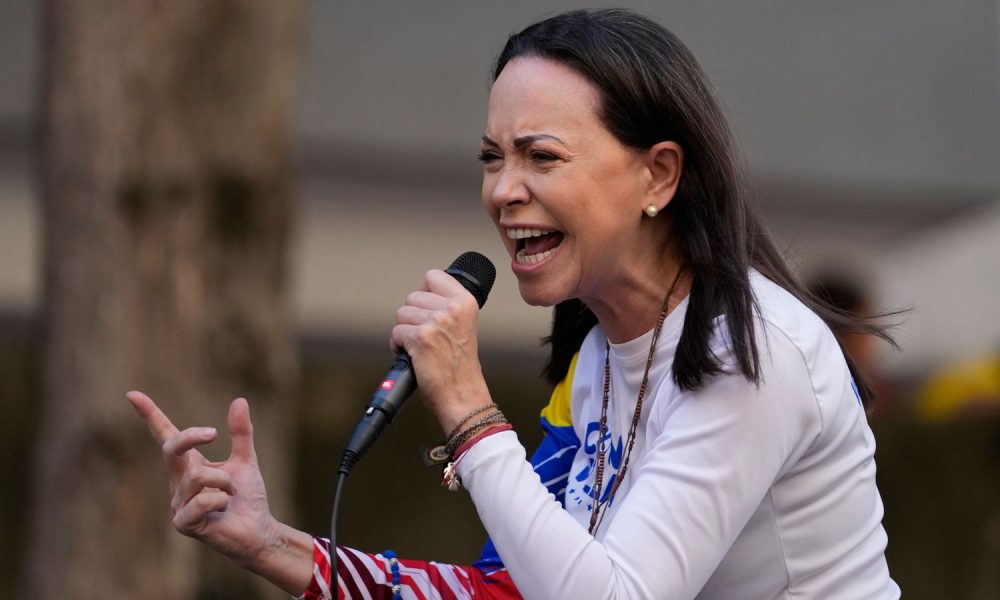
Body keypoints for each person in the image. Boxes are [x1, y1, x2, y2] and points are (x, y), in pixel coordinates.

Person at [129, 9, 901, 599]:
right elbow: (512, 591)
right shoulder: (599, 353)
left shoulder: (750, 350)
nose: (503, 191)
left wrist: (468, 408)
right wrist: (273, 545)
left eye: (542, 157)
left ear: (659, 176)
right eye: (493, 159)